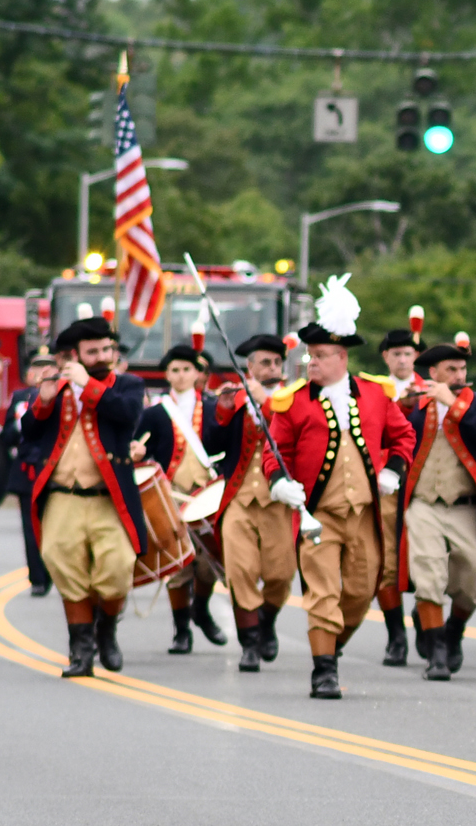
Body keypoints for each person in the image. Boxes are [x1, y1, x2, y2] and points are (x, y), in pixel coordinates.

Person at [265, 277, 417, 700]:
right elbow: (273, 451)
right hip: (319, 515)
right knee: (322, 592)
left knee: (360, 590)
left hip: (365, 514)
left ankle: (332, 647)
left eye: (321, 356)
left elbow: (404, 437)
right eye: (311, 355)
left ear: (342, 357)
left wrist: (394, 472)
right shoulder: (291, 401)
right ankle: (324, 671)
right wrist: (281, 483)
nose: (312, 363)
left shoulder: (375, 394)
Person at [19, 320, 148, 677]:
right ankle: (81, 650)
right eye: (93, 352)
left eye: (107, 349)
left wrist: (86, 384)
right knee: (63, 564)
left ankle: (106, 630)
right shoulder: (55, 389)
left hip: (109, 496)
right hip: (63, 495)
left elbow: (126, 415)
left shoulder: (128, 385)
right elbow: (28, 434)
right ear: (72, 357)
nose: (104, 357)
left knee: (118, 567)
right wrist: (42, 403)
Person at [399, 343, 476, 680]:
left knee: (470, 582)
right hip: (423, 504)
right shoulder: (416, 405)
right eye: (450, 370)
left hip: (465, 507)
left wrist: (451, 402)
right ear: (433, 373)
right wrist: (404, 404)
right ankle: (436, 654)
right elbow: (392, 433)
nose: (459, 375)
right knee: (429, 577)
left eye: (462, 369)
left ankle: (453, 631)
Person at [206, 334, 297, 672]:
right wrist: (225, 411)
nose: (272, 369)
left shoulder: (294, 398)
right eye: (265, 363)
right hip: (240, 498)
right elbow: (211, 445)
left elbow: (299, 436)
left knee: (281, 574)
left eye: (276, 363)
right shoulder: (237, 396)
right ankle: (249, 644)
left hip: (279, 502)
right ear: (251, 367)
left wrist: (268, 404)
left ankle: (266, 619)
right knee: (240, 571)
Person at [139, 344, 228, 654]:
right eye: (174, 370)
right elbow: (141, 449)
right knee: (177, 567)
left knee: (208, 565)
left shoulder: (216, 407)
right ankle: (181, 632)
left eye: (187, 369)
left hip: (207, 496)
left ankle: (200, 611)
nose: (180, 375)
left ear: (198, 374)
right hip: (170, 498)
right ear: (166, 374)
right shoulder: (154, 412)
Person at [372, 327, 424, 666]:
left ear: (416, 357)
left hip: (424, 487)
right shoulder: (376, 393)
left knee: (427, 560)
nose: (402, 359)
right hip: (389, 485)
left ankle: (426, 620)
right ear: (386, 358)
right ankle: (396, 636)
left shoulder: (432, 390)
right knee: (387, 561)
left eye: (408, 353)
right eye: (396, 354)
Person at [2, 349, 58, 596]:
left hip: (54, 469)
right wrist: (16, 427)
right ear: (29, 373)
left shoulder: (61, 395)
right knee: (30, 525)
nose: (42, 372)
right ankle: (37, 578)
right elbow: (6, 438)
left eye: (48, 367)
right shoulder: (20, 397)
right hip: (27, 470)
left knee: (57, 525)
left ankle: (57, 572)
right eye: (37, 367)